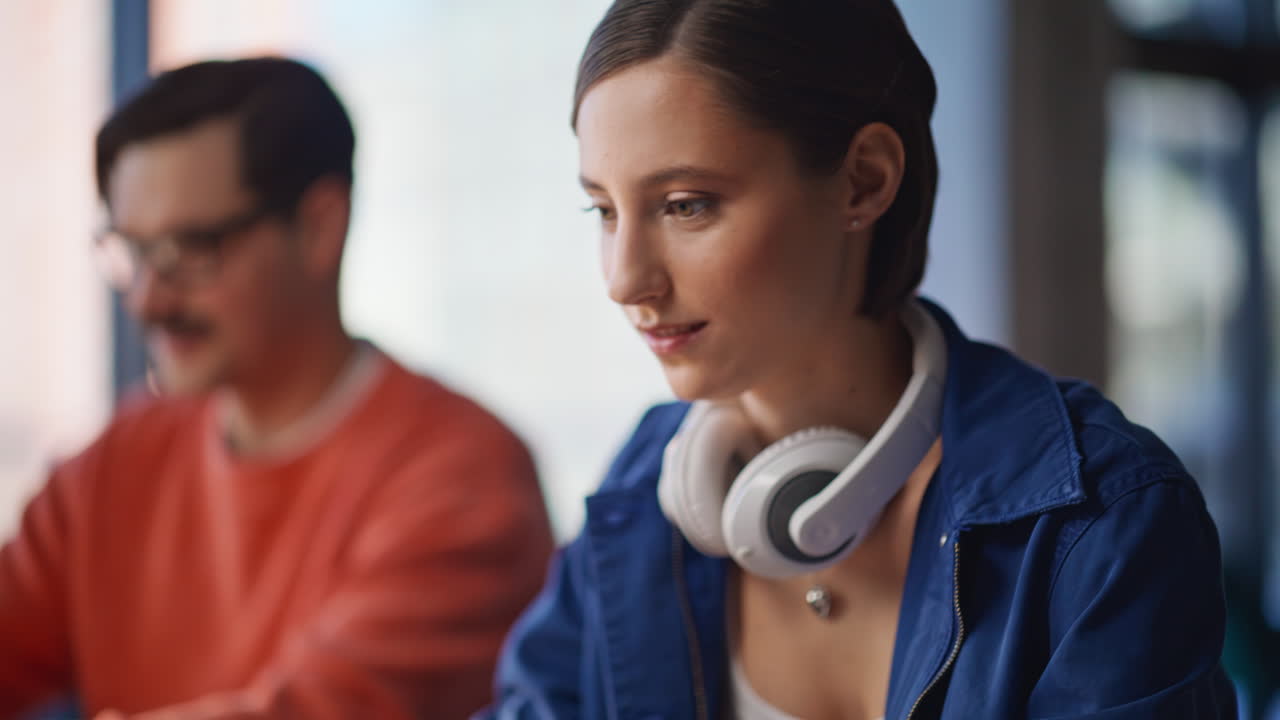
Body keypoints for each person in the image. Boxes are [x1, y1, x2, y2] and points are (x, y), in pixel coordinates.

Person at [481, 1, 1237, 718]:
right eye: (603, 211)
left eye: (686, 204)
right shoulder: (641, 491)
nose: (623, 280)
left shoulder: (1104, 523)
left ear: (864, 180)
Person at [0, 57, 554, 720]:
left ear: (320, 228)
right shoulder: (114, 465)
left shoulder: (464, 479)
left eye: (190, 248)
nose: (148, 300)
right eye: (134, 251)